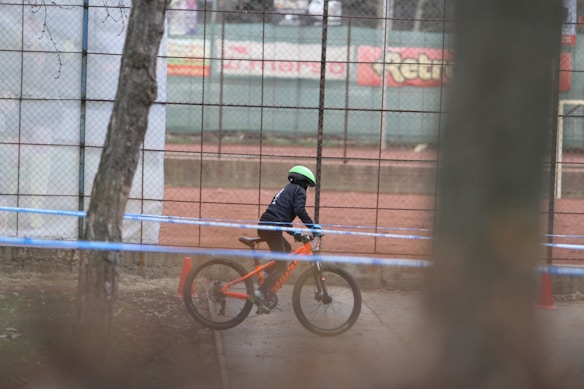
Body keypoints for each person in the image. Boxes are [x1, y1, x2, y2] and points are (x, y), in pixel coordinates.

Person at [253, 165, 323, 310]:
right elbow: (299, 210)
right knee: (282, 267)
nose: (307, 190)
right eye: (308, 186)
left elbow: (280, 215)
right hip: (272, 229)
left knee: (287, 248)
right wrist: (312, 226)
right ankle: (259, 293)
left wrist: (294, 233)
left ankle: (267, 274)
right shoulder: (299, 191)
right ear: (304, 182)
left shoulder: (287, 189)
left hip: (267, 226)